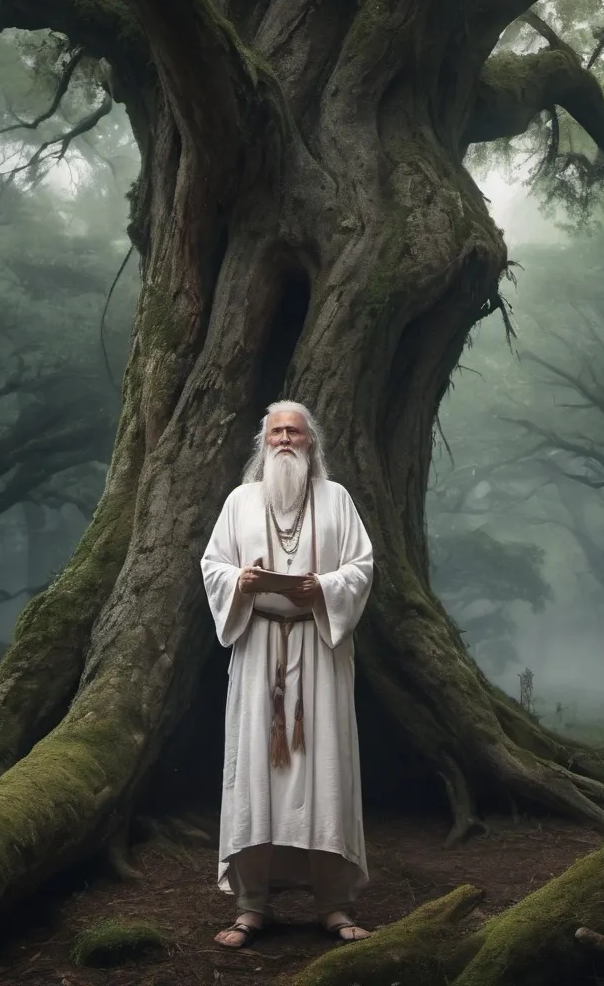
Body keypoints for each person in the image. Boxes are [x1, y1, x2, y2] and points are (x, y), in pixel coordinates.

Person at [200, 400, 374, 949]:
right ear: (263, 441)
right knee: (255, 774)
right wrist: (244, 582)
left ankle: (334, 905)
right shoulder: (240, 501)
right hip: (258, 653)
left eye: (293, 432)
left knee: (324, 771)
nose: (283, 440)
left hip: (319, 653)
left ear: (310, 442)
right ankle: (252, 906)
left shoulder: (337, 499)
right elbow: (213, 565)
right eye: (275, 431)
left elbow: (362, 566)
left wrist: (320, 588)